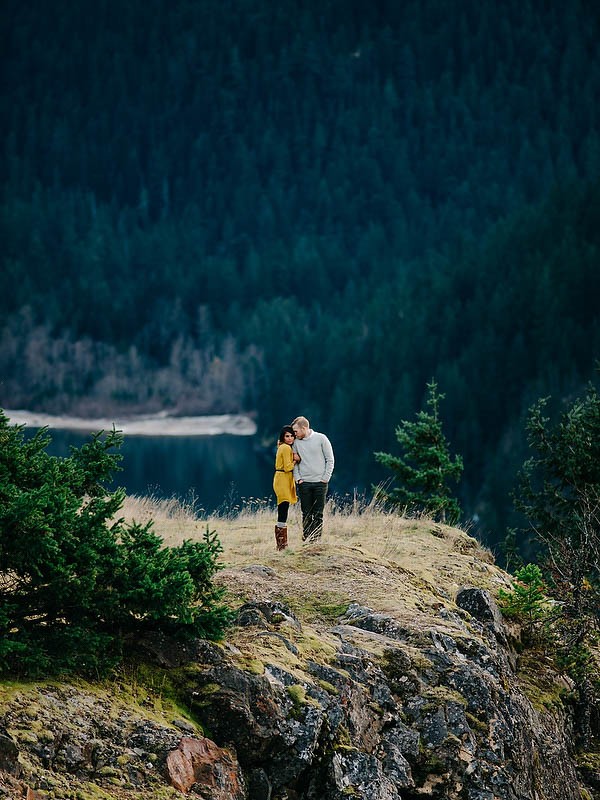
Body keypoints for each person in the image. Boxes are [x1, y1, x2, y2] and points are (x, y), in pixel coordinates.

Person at [291, 416, 334, 542]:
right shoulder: (296, 443)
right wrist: (298, 479)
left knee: (318, 514)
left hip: (320, 483)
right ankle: (307, 540)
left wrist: (325, 478)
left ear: (304, 428)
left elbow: (330, 459)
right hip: (304, 483)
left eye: (296, 431)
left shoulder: (321, 438)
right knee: (306, 514)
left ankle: (316, 541)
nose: (294, 434)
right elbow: (294, 462)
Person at [272, 425, 299, 550]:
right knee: (283, 509)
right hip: (283, 478)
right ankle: (282, 545)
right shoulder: (286, 448)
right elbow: (288, 467)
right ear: (283, 437)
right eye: (287, 436)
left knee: (283, 508)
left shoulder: (282, 447)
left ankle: (281, 544)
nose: (290, 438)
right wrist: (296, 460)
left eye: (291, 436)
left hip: (281, 477)